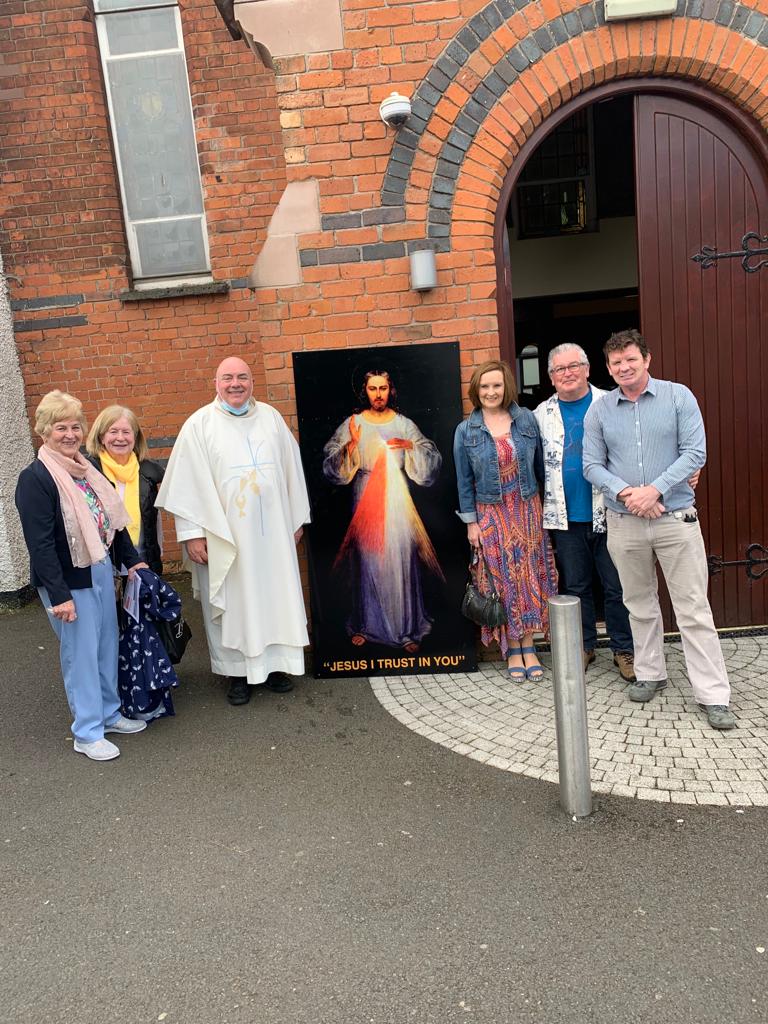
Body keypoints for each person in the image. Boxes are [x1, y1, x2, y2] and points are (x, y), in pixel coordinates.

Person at [583, 329, 735, 729]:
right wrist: (630, 492)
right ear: (608, 367)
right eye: (616, 363)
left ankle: (714, 695)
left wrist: (654, 490)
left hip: (675, 519)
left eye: (630, 359)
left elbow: (696, 452)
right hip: (624, 521)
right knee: (638, 603)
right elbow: (592, 465)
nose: (624, 367)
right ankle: (650, 674)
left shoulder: (678, 396)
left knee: (693, 609)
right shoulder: (599, 411)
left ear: (646, 359)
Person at [156, 356, 310, 706]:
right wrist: (192, 533)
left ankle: (275, 668)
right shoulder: (199, 425)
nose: (235, 384)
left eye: (242, 377)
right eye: (227, 378)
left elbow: (292, 471)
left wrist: (295, 520)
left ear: (252, 382)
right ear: (216, 383)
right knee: (233, 601)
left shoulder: (271, 419)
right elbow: (186, 487)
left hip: (271, 536)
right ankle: (237, 674)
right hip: (225, 538)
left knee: (274, 598)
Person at [15, 390, 149, 761]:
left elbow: (111, 521)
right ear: (44, 430)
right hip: (68, 580)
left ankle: (109, 714)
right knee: (81, 654)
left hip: (100, 568)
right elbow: (39, 544)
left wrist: (131, 559)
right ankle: (87, 732)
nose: (70, 433)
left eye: (75, 426)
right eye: (61, 427)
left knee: (107, 643)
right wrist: (59, 596)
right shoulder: (36, 478)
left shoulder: (85, 469)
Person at [535, 343, 635, 682]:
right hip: (564, 518)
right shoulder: (540, 415)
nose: (567, 373)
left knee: (616, 586)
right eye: (559, 369)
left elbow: (637, 448)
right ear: (550, 377)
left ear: (588, 368)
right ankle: (584, 645)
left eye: (573, 366)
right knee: (576, 586)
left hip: (611, 513)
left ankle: (625, 650)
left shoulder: (611, 403)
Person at [323, 370, 443, 653]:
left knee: (400, 558)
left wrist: (411, 446)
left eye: (384, 388)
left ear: (391, 390)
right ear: (364, 390)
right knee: (368, 560)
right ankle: (367, 625)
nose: (378, 394)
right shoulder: (354, 423)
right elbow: (330, 461)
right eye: (373, 388)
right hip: (365, 493)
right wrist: (352, 443)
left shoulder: (403, 424)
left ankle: (406, 630)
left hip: (396, 495)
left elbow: (431, 456)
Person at [454, 359, 557, 680]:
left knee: (528, 577)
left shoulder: (526, 420)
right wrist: (471, 523)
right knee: (503, 581)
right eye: (484, 386)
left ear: (506, 387)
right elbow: (463, 481)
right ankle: (513, 647)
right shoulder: (466, 430)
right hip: (490, 515)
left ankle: (530, 645)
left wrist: (548, 510)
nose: (491, 391)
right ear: (476, 390)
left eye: (496, 385)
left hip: (528, 511)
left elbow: (542, 469)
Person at [86, 405, 165, 574]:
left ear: (135, 437)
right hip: (105, 567)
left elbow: (155, 523)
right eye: (113, 431)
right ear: (101, 436)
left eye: (126, 432)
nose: (120, 438)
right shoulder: (88, 472)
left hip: (144, 563)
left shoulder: (149, 473)